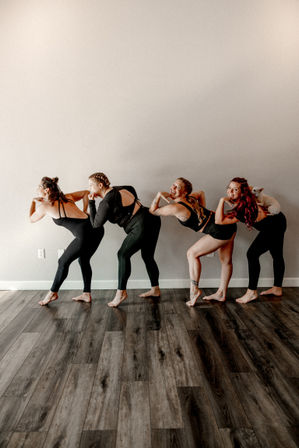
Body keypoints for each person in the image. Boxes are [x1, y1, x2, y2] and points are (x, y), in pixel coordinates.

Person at [150, 177, 237, 306]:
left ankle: (194, 290)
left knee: (191, 253)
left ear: (185, 192)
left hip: (219, 230)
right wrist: (201, 212)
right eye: (173, 185)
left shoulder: (176, 208)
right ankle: (221, 294)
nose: (172, 189)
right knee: (226, 261)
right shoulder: (191, 198)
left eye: (177, 187)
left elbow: (153, 211)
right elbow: (201, 192)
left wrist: (158, 196)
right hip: (228, 224)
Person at [88, 172, 161, 307]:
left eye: (91, 186)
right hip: (152, 218)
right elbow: (132, 191)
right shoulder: (121, 188)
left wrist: (91, 202)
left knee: (122, 254)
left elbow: (95, 224)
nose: (90, 189)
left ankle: (121, 293)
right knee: (148, 256)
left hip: (140, 225)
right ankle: (155, 289)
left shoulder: (107, 202)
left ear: (100, 185)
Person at [29, 177, 104, 305]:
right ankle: (86, 294)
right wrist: (85, 210)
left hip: (84, 234)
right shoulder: (67, 197)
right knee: (84, 260)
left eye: (39, 187)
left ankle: (52, 293)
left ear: (46, 190)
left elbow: (31, 219)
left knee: (62, 261)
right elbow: (86, 193)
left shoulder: (45, 206)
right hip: (97, 229)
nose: (37, 189)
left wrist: (33, 202)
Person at [215, 177, 287, 303]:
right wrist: (222, 200)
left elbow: (219, 221)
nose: (230, 192)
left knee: (252, 254)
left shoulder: (245, 205)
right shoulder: (240, 203)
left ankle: (251, 292)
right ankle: (277, 288)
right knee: (276, 254)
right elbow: (219, 220)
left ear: (242, 192)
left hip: (275, 225)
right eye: (229, 188)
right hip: (277, 222)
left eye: (235, 189)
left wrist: (223, 201)